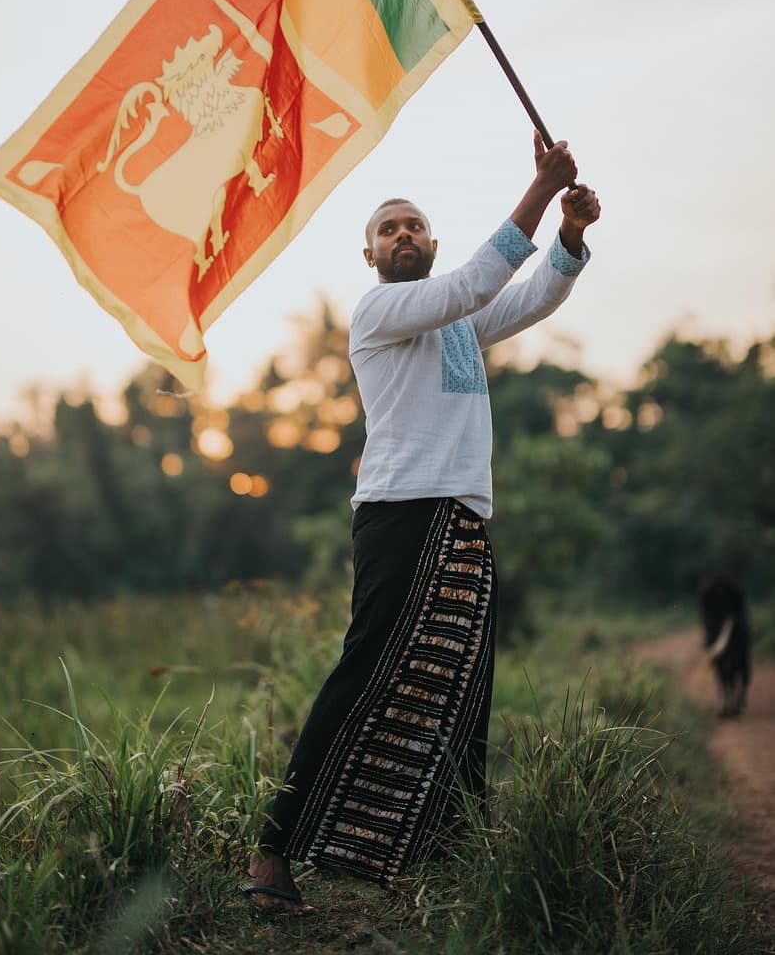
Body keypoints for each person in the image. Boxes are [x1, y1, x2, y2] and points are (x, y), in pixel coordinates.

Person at [240, 131, 600, 912]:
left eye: (413, 226)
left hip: (463, 518)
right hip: (401, 517)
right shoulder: (380, 311)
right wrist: (540, 188)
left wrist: (567, 237)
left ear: (428, 243)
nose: (402, 235)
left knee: (459, 688)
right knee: (364, 676)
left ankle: (446, 859)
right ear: (370, 256)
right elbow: (477, 280)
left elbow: (526, 296)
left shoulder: (457, 325)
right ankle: (273, 850)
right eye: (387, 230)